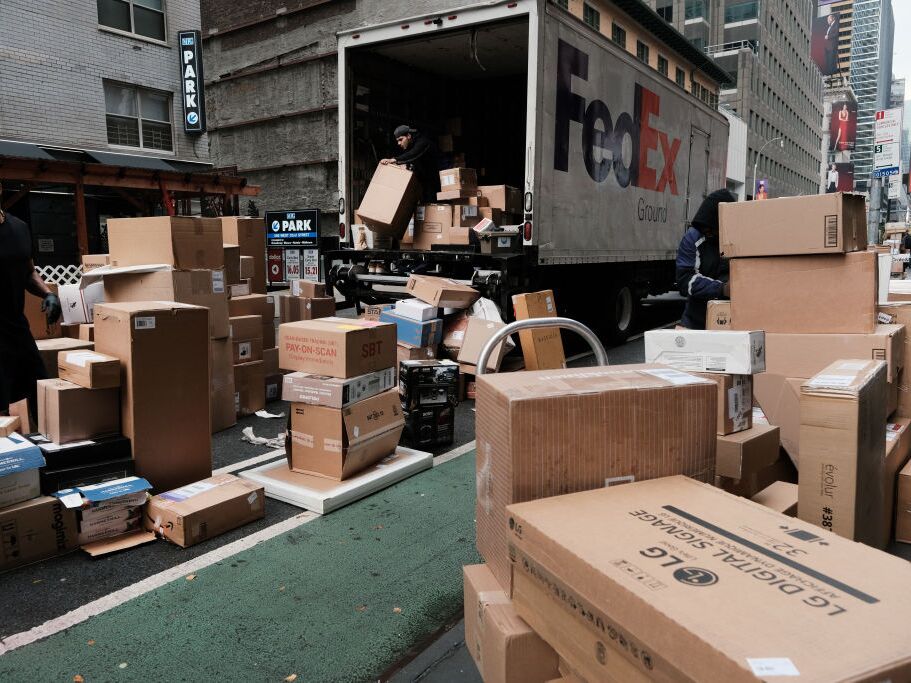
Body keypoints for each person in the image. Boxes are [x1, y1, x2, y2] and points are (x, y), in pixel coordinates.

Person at [0, 188, 61, 420]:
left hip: (16, 326)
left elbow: (28, 272)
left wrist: (48, 294)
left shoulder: (19, 228)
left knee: (40, 390)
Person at [676, 189, 737, 330]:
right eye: (706, 230)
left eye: (711, 230)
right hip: (696, 320)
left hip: (731, 319)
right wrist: (722, 289)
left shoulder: (735, 238)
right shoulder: (693, 237)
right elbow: (685, 280)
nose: (708, 233)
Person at [380, 124, 440, 201]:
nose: (398, 143)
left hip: (433, 183)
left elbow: (413, 154)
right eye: (397, 140)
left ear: (408, 136)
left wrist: (394, 160)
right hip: (421, 184)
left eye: (400, 139)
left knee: (430, 202)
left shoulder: (423, 142)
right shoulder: (410, 145)